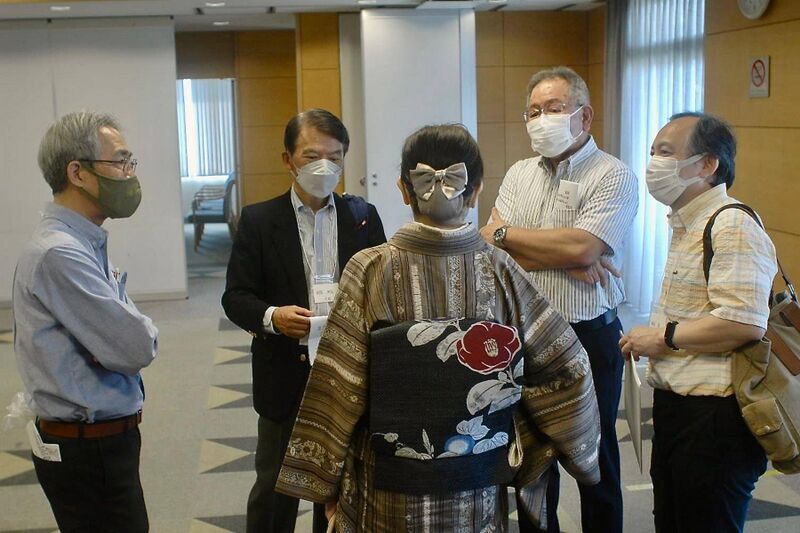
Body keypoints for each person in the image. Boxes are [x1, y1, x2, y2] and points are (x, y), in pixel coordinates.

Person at [275, 124, 601, 531]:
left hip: (386, 488)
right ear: (476, 191)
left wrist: (327, 485)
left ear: (402, 189)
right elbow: (567, 366)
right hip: (476, 484)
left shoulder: (369, 269)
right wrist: (548, 441)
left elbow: (339, 384)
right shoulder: (502, 270)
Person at [479, 66, 637, 532]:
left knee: (596, 457)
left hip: (589, 336)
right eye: (533, 112)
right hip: (524, 338)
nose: (540, 119)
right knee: (531, 461)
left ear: (583, 117)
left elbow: (584, 247)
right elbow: (490, 246)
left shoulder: (612, 174)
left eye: (553, 109)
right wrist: (565, 257)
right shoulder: (518, 173)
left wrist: (527, 242)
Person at [222, 108, 386, 533]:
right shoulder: (259, 221)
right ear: (288, 160)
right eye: (312, 156)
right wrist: (272, 317)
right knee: (276, 489)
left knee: (338, 489)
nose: (324, 167)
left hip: (346, 372)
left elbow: (384, 289)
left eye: (334, 157)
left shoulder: (362, 218)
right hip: (285, 370)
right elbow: (235, 297)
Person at [619, 112, 776, 532]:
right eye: (653, 152)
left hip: (717, 415)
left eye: (666, 152)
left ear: (707, 165)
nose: (654, 163)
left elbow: (743, 322)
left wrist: (664, 337)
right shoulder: (687, 224)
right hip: (679, 406)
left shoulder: (732, 223)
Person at [13, 111, 158, 532]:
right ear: (77, 172)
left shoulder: (82, 241)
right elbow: (136, 346)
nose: (129, 173)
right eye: (120, 161)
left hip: (101, 440)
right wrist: (133, 330)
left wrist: (124, 329)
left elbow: (124, 335)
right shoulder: (60, 253)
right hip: (88, 449)